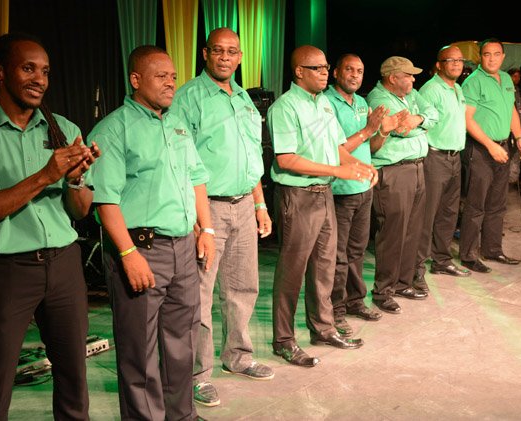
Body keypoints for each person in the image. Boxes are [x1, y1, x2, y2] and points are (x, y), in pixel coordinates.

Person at [0, 33, 98, 420]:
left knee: (75, 378)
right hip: (6, 271)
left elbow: (80, 211)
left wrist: (74, 180)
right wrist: (46, 175)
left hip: (64, 267)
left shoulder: (62, 128)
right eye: (28, 68)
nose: (40, 79)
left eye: (45, 71)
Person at [89, 45, 214, 421]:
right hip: (142, 249)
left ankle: (183, 415)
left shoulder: (175, 123)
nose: (171, 83)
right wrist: (128, 255)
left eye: (174, 77)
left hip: (183, 248)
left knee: (181, 344)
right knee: (139, 352)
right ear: (135, 79)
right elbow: (104, 200)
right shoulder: (113, 130)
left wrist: (205, 228)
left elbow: (197, 178)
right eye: (161, 76)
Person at [170, 27, 274, 408]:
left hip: (245, 203)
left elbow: (252, 159)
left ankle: (239, 356)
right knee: (199, 294)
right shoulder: (189, 98)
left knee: (243, 286)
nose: (226, 57)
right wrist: (200, 223)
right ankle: (197, 374)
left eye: (232, 51)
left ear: (240, 57)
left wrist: (261, 205)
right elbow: (181, 163)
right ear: (205, 53)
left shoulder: (244, 98)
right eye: (218, 51)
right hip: (207, 206)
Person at [268, 45, 375, 368]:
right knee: (292, 272)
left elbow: (337, 148)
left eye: (326, 67)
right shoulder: (285, 107)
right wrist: (338, 171)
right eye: (317, 68)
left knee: (325, 267)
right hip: (297, 196)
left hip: (324, 194)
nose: (325, 73)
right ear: (298, 71)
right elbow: (286, 159)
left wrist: (359, 166)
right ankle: (284, 340)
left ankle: (323, 328)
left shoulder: (324, 105)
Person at [323, 53, 399, 336]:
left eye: (360, 71)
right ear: (336, 73)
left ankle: (355, 301)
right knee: (338, 255)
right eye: (349, 70)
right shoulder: (328, 103)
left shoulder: (363, 102)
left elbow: (373, 146)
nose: (355, 75)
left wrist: (383, 131)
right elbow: (338, 148)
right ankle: (335, 310)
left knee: (356, 251)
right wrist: (368, 130)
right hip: (341, 189)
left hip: (364, 186)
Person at [366, 56, 439, 314]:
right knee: (393, 233)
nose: (413, 79)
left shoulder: (411, 95)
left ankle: (403, 283)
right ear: (393, 78)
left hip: (417, 167)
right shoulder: (379, 99)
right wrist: (416, 126)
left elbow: (433, 114)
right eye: (408, 75)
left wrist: (417, 120)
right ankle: (383, 290)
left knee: (412, 230)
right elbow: (398, 129)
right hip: (395, 172)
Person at [459, 39, 521, 273]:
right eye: (486, 54)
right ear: (480, 56)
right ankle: (468, 256)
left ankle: (492, 249)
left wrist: (519, 138)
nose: (491, 58)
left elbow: (510, 109)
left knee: (497, 204)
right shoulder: (473, 82)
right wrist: (490, 146)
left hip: (503, 147)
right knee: (476, 204)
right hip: (481, 149)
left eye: (496, 54)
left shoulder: (507, 79)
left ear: (503, 56)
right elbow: (468, 120)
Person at [414, 45, 471, 283]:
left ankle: (441, 261)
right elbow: (422, 124)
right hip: (435, 157)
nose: (457, 64)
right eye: (451, 60)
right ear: (439, 64)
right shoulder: (431, 90)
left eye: (460, 60)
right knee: (427, 215)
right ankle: (415, 270)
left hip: (454, 157)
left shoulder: (457, 88)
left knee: (448, 213)